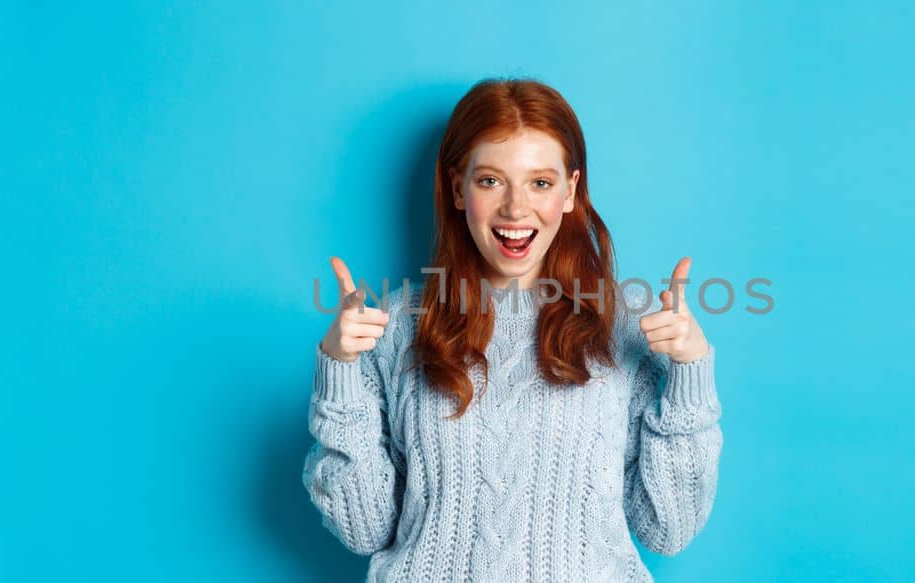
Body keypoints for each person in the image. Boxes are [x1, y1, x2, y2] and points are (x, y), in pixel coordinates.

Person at [303, 77, 722, 582]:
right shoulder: (397, 327)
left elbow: (667, 529)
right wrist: (340, 373)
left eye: (540, 183)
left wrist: (690, 375)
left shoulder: (628, 324)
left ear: (570, 190)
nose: (515, 209)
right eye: (490, 181)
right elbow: (363, 529)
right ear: (458, 188)